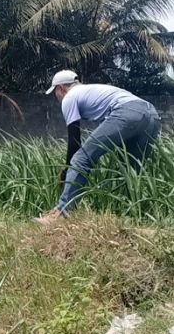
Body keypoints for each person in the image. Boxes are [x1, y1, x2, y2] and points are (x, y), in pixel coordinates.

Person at [34, 70, 161, 225]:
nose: (56, 97)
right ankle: (132, 215)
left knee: (80, 159)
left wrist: (66, 170)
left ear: (60, 88)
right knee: (130, 169)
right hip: (152, 115)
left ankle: (61, 213)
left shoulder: (69, 97)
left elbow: (75, 141)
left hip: (126, 112)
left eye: (55, 92)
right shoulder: (92, 90)